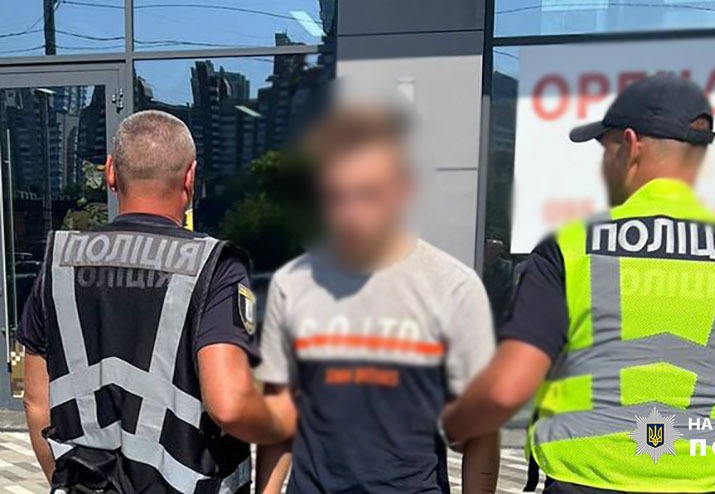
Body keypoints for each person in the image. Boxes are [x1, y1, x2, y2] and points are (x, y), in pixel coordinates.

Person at [441, 75, 715, 493]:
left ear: (629, 145)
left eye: (605, 150)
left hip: (581, 484)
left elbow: (507, 389)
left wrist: (459, 420)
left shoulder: (570, 248)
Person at [19, 110, 292, 493]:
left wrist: (66, 481)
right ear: (190, 177)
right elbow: (228, 406)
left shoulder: (59, 262)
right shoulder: (215, 267)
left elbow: (36, 403)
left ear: (110, 173)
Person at [254, 104, 501, 493]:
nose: (350, 213)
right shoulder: (293, 284)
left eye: (368, 194)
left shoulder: (452, 287)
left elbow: (481, 432)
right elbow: (280, 414)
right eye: (337, 196)